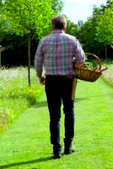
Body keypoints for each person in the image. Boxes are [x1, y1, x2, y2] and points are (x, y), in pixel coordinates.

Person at [34, 15, 85, 159]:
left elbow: (38, 62)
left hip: (51, 81)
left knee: (54, 117)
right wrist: (72, 60)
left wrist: (40, 76)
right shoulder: (72, 40)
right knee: (69, 111)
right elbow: (81, 60)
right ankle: (68, 145)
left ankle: (56, 149)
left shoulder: (44, 41)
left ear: (52, 26)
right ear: (65, 26)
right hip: (68, 80)